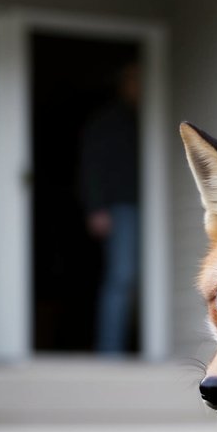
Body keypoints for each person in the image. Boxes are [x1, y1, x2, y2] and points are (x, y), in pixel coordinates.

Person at [79, 61, 141, 354]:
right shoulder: (107, 122)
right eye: (134, 79)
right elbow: (91, 167)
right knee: (121, 277)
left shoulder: (149, 119)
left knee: (141, 279)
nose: (139, 86)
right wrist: (96, 207)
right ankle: (110, 351)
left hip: (151, 208)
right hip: (121, 208)